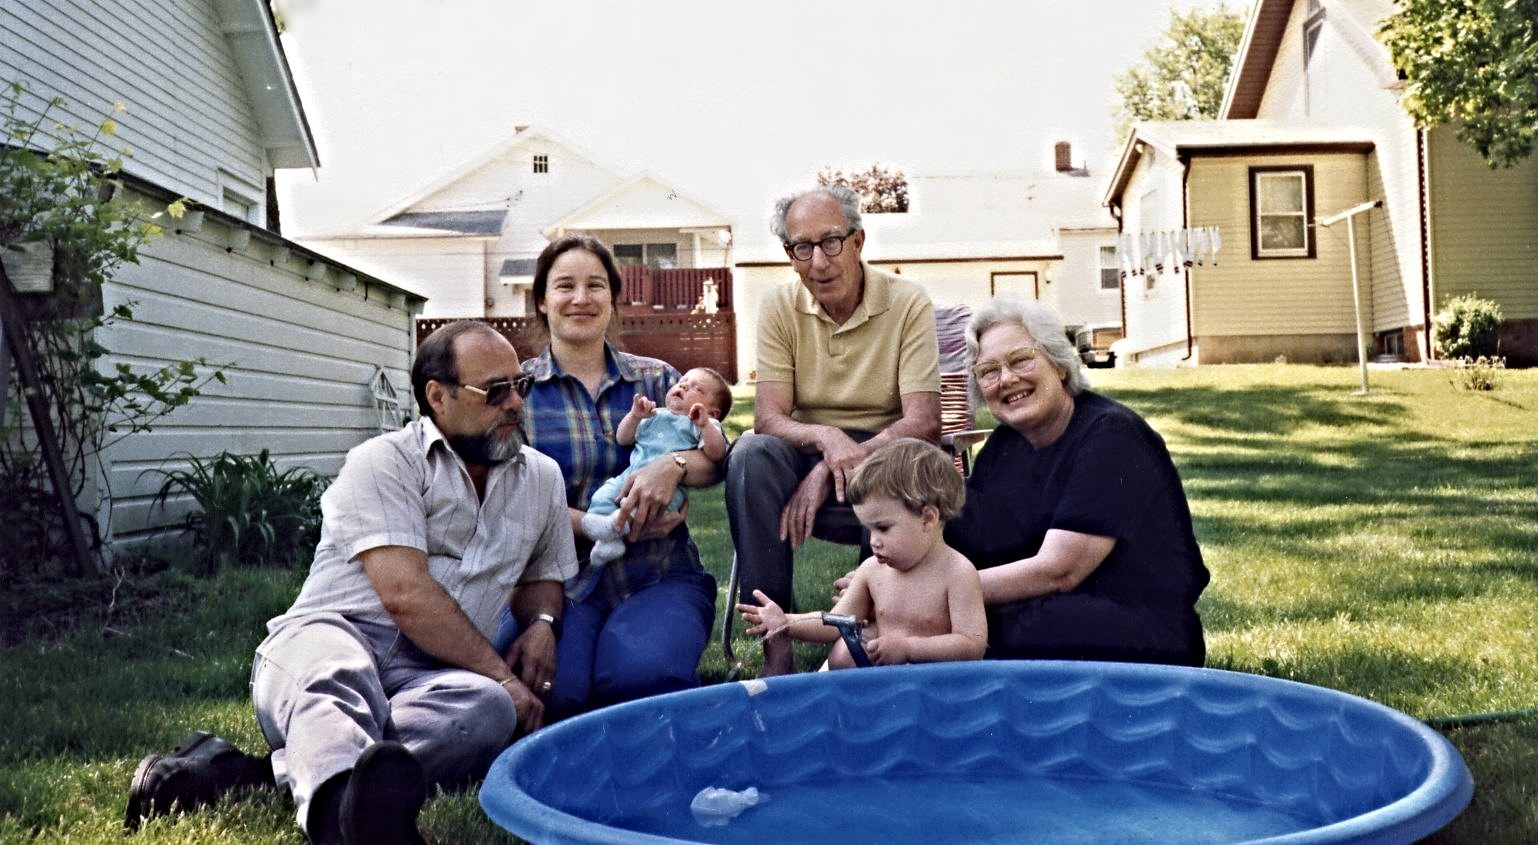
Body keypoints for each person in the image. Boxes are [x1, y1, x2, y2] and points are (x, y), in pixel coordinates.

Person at [124, 320, 578, 844]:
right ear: (438, 396)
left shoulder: (541, 478)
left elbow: (543, 573)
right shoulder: (384, 462)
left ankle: (248, 774)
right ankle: (343, 823)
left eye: (521, 385)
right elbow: (405, 596)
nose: (516, 403)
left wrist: (542, 622)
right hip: (331, 634)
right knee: (339, 673)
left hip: (430, 678)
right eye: (495, 391)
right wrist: (504, 676)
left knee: (487, 709)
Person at [493, 234, 719, 720]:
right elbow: (511, 500)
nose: (581, 298)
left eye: (595, 285)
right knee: (557, 694)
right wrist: (610, 524)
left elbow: (715, 460)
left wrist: (672, 466)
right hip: (560, 582)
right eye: (565, 286)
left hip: (658, 572)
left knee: (643, 681)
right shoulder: (518, 395)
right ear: (541, 300)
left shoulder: (658, 380)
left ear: (613, 299)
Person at [725, 184, 941, 674]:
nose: (819, 262)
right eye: (802, 247)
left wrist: (833, 465)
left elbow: (924, 420)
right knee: (750, 455)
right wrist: (826, 441)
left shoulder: (908, 302)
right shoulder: (779, 306)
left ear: (858, 241)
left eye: (831, 242)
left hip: (885, 463)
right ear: (789, 255)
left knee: (898, 467)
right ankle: (776, 642)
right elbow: (768, 418)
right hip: (806, 459)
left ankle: (869, 634)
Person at [944, 296, 1208, 666]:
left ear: (1059, 364)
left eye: (1021, 360)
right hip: (1051, 609)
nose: (1007, 379)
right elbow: (970, 532)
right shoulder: (1006, 445)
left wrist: (936, 596)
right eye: (988, 371)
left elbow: (1061, 571)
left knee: (1028, 628)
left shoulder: (1112, 435)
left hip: (1140, 627)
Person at [737, 438, 986, 670]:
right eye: (869, 529)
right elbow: (835, 622)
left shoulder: (957, 572)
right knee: (842, 655)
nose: (874, 541)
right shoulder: (873, 570)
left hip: (939, 685)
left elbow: (971, 644)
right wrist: (787, 622)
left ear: (928, 518)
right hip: (887, 683)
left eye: (883, 528)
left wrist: (909, 648)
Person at [581, 366, 731, 571]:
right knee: (604, 495)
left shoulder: (700, 424)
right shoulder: (654, 415)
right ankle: (607, 536)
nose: (684, 386)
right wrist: (635, 416)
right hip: (629, 478)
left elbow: (717, 454)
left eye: (697, 388)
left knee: (645, 510)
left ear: (713, 412)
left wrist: (705, 425)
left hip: (668, 490)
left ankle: (616, 529)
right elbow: (623, 438)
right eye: (682, 382)